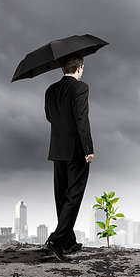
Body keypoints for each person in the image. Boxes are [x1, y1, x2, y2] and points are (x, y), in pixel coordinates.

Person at [43, 54, 94, 262]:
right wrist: (88, 148)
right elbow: (82, 118)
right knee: (74, 195)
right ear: (79, 68)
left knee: (61, 195)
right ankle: (56, 241)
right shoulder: (80, 88)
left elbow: (49, 116)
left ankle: (68, 241)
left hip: (57, 148)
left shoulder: (50, 90)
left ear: (63, 68)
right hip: (76, 149)